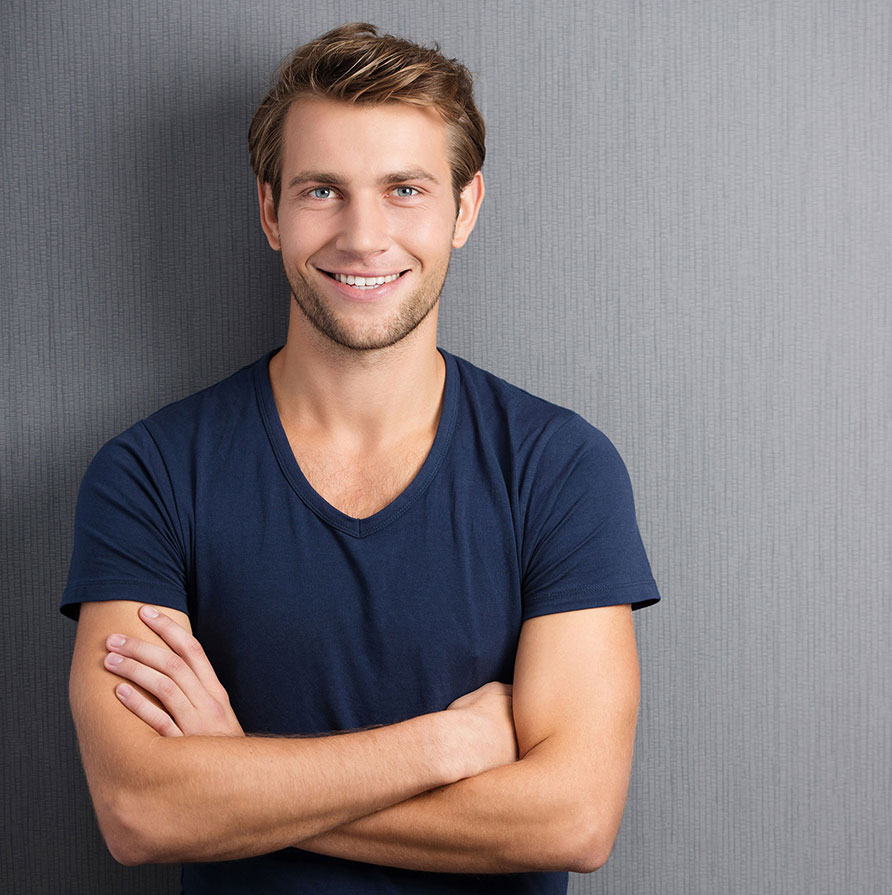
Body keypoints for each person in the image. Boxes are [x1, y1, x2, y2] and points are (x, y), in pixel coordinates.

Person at [62, 22, 660, 895]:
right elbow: (141, 810)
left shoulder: (561, 470)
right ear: (271, 211)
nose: (364, 236)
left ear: (465, 208)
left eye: (405, 189)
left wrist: (238, 777)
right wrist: (441, 747)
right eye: (322, 191)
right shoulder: (148, 475)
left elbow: (572, 817)